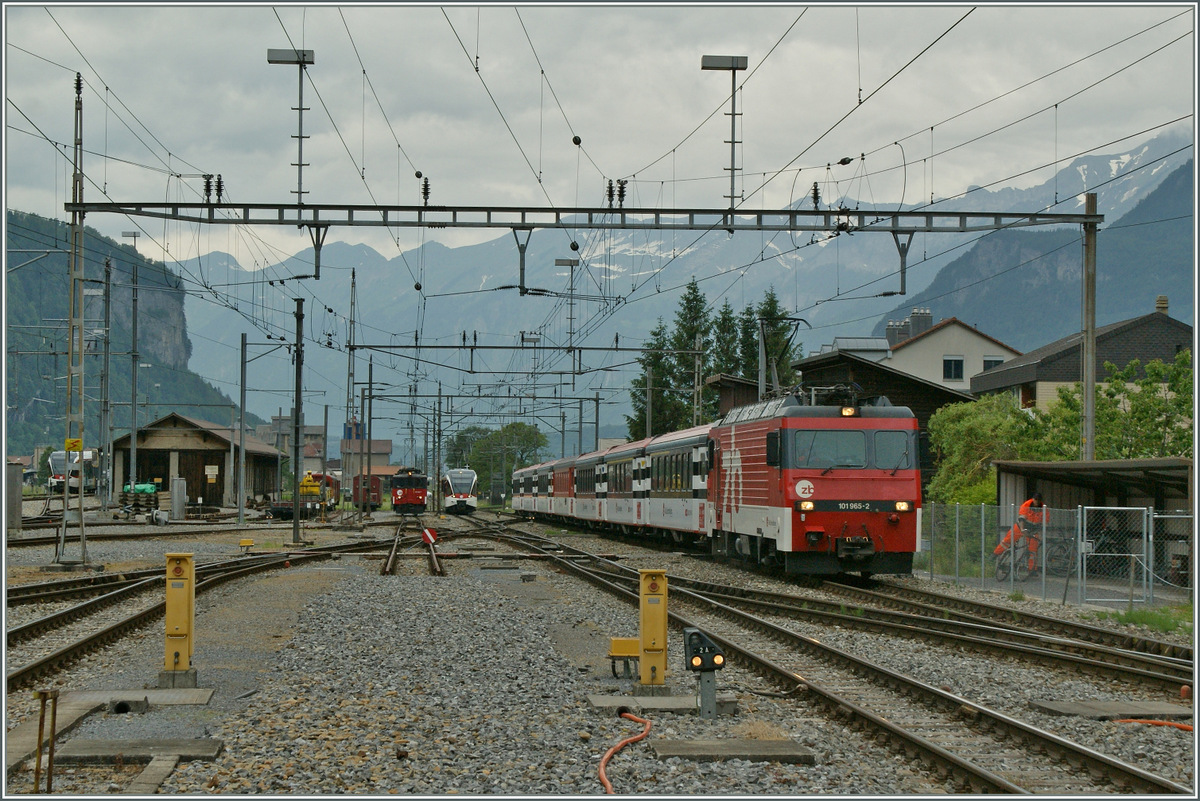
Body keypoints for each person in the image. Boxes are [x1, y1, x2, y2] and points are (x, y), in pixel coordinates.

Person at [994, 492, 1046, 574]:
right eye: (1035, 499)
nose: (1037, 501)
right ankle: (996, 553)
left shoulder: (1043, 508)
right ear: (1033, 499)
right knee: (1008, 540)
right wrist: (1022, 529)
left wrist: (1039, 534)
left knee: (1033, 548)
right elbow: (1022, 518)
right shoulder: (1026, 505)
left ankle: (1032, 570)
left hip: (1032, 530)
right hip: (1020, 527)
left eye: (1038, 500)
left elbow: (1044, 522)